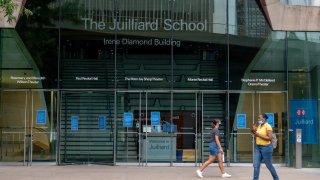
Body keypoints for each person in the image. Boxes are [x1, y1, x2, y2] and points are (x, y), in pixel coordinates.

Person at [252, 113, 279, 180]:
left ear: (264, 118)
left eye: (259, 118)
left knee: (269, 165)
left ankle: (276, 178)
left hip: (266, 147)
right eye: (258, 118)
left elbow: (269, 138)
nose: (258, 119)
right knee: (256, 165)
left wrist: (259, 135)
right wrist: (253, 130)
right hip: (258, 147)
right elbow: (256, 134)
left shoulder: (268, 126)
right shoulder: (259, 126)